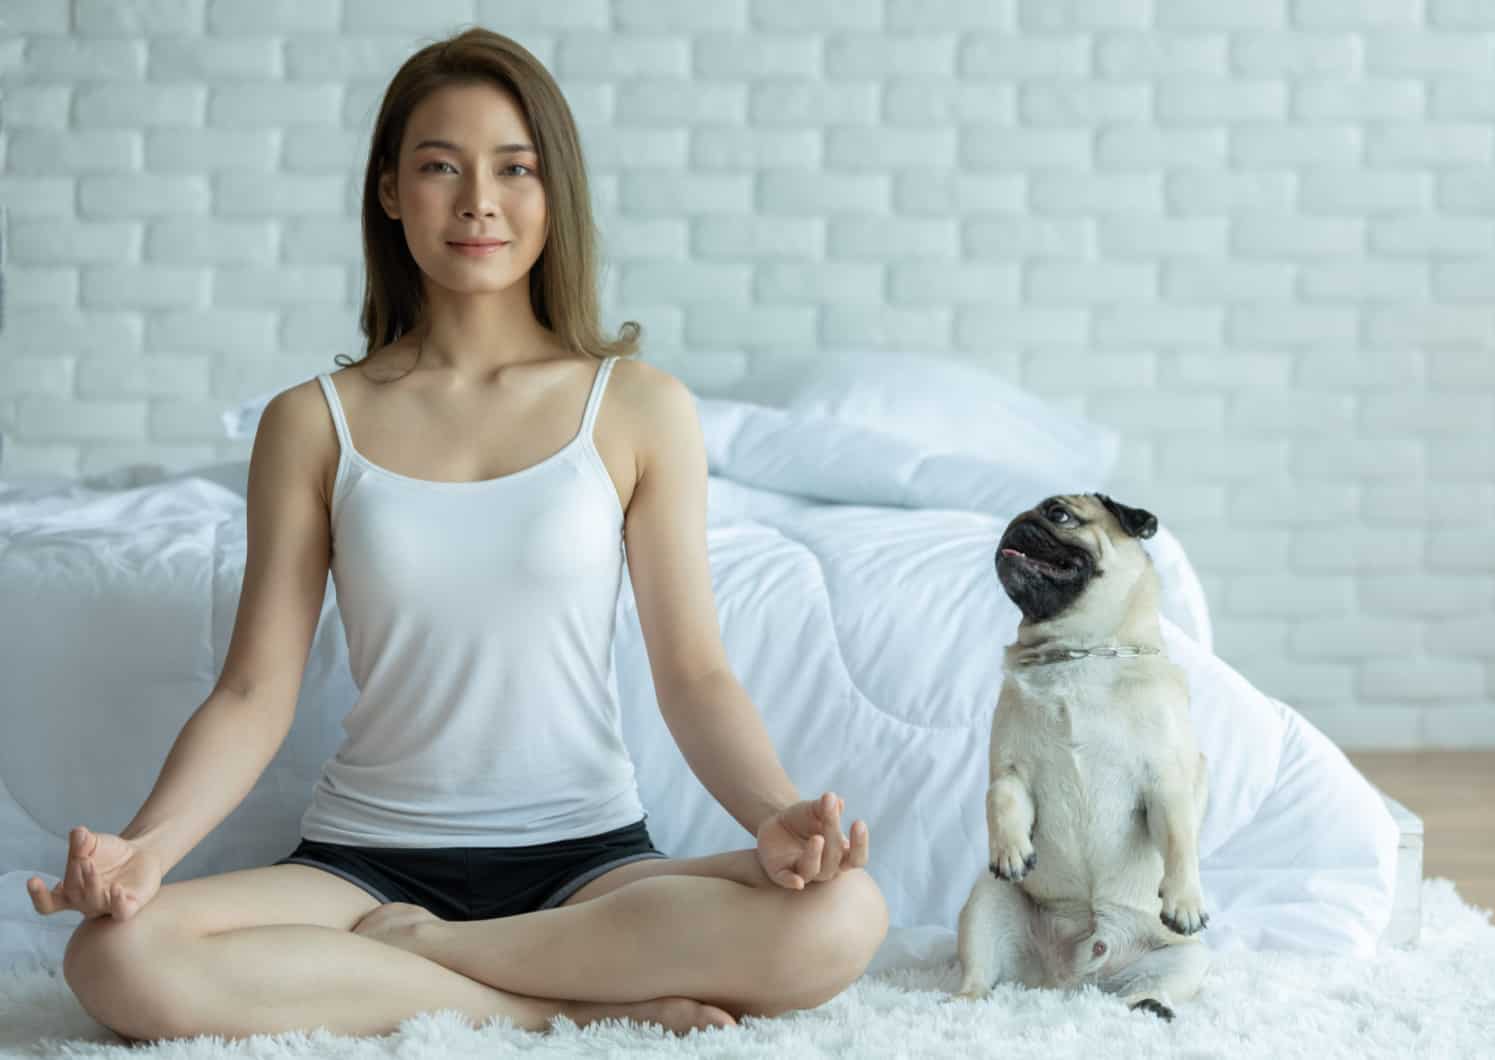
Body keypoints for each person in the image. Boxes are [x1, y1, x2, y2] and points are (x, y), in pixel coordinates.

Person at [26, 27, 888, 1043]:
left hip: (587, 866)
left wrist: (773, 815)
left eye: (514, 169)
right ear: (390, 191)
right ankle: (552, 1005)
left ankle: (424, 960)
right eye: (440, 167)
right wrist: (144, 850)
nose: (478, 199)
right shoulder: (312, 421)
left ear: (552, 193)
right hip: (362, 868)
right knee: (114, 956)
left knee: (842, 917)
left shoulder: (638, 408)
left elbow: (693, 673)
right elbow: (254, 691)